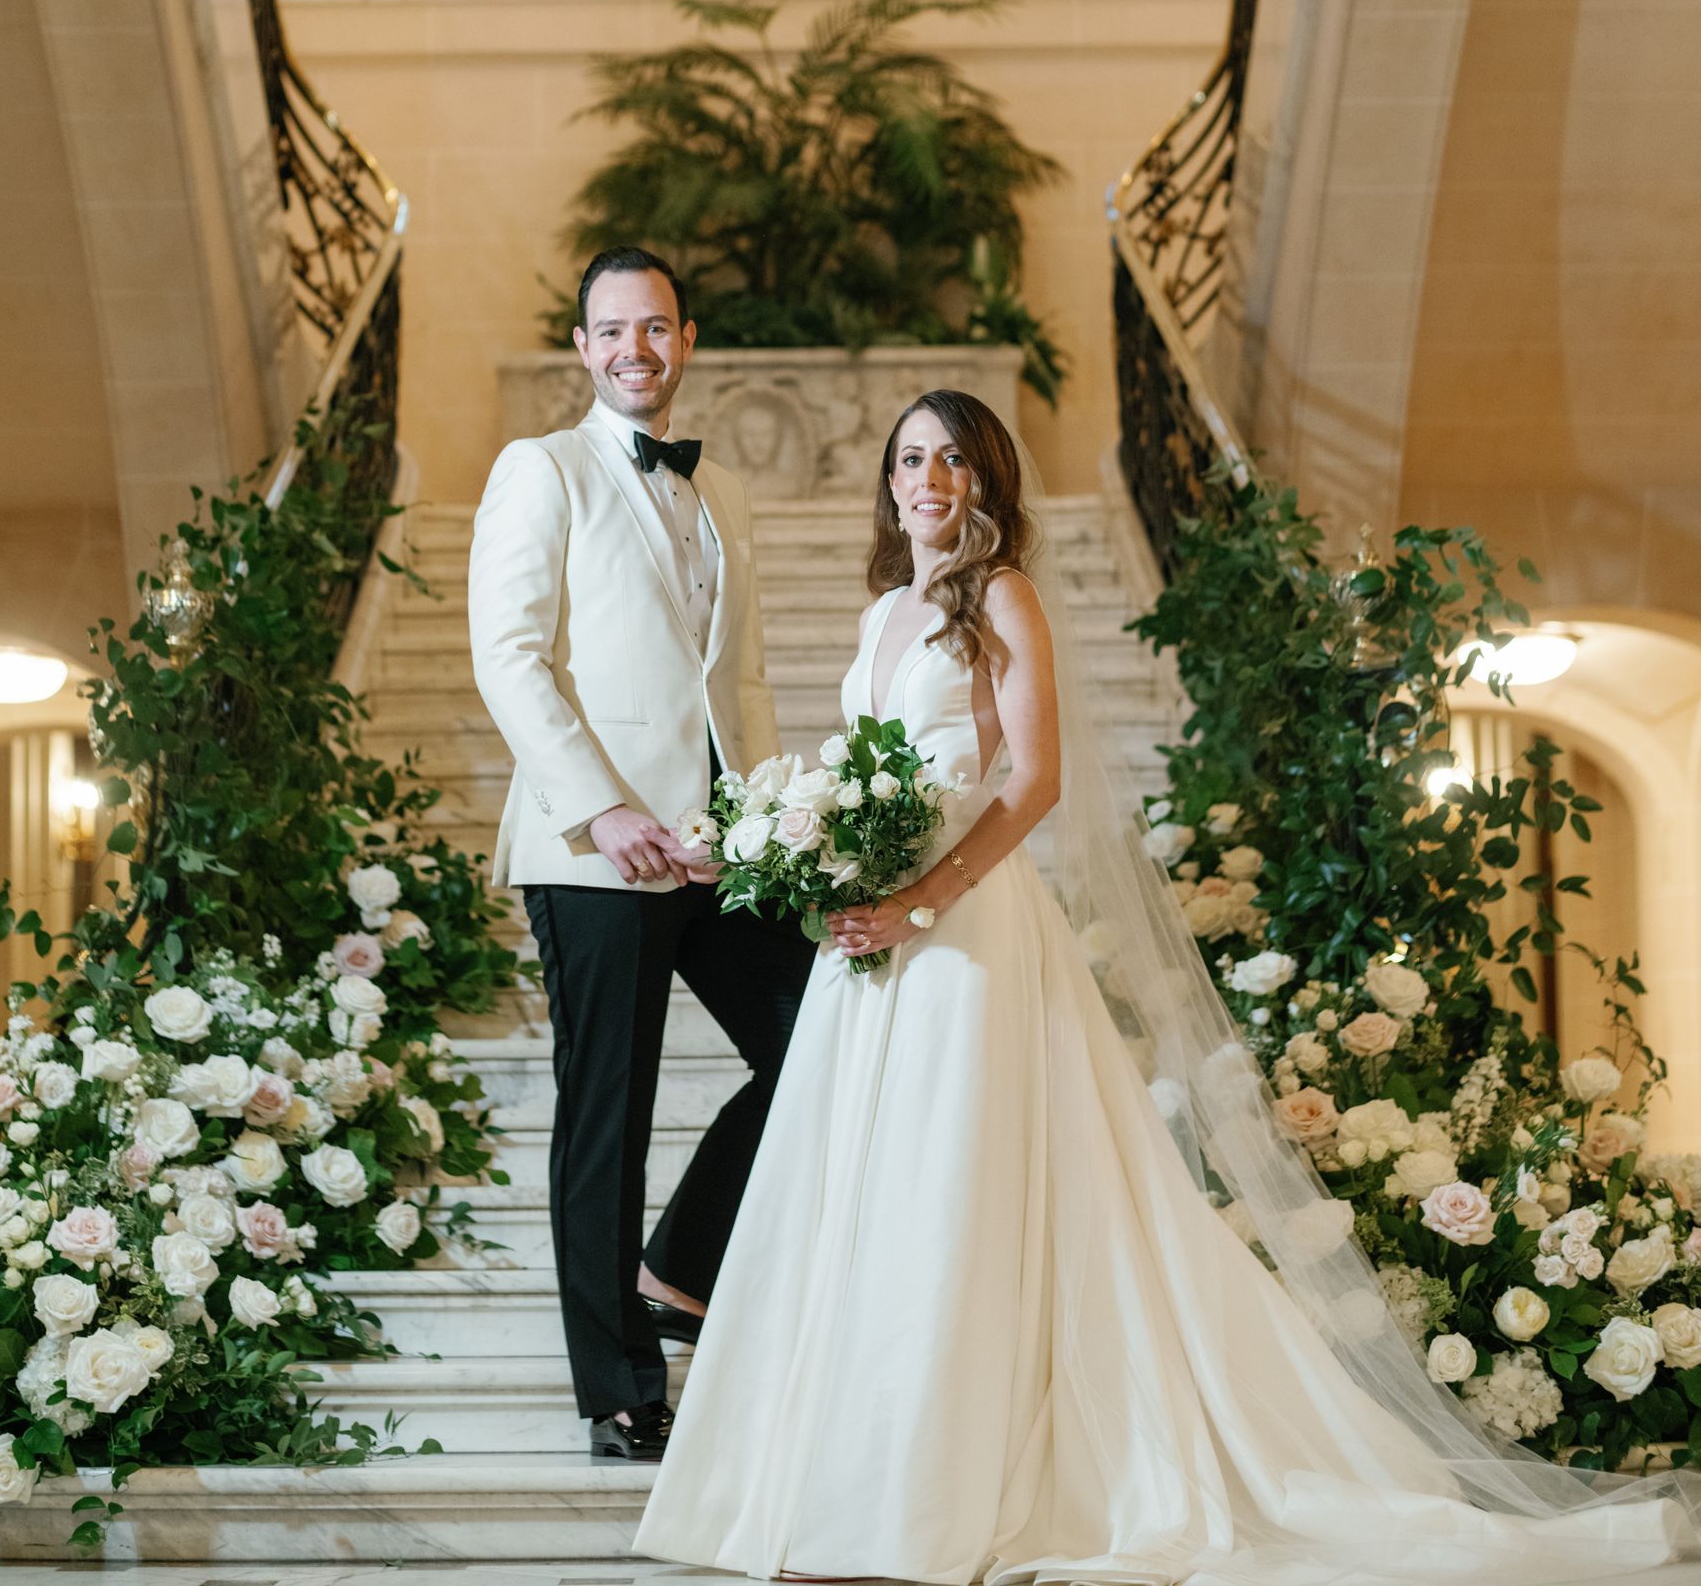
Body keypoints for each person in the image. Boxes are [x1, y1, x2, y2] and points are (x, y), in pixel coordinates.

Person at [636, 389, 1698, 1586]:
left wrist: (921, 898)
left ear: (986, 481)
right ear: (888, 481)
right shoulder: (883, 610)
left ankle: (928, 1501)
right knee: (870, 1197)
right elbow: (862, 778)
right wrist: (818, 858)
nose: (929, 477)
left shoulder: (1004, 598)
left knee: (953, 1196)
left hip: (966, 935)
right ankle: (842, 1488)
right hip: (867, 947)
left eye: (954, 459)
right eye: (911, 457)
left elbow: (1031, 779)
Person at [468, 245, 811, 1463]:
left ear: (688, 338)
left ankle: (677, 1268)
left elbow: (745, 677)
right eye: (611, 331)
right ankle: (619, 1385)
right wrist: (601, 810)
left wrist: (769, 828)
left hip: (721, 846)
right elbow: (510, 656)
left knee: (817, 1041)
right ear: (582, 347)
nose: (634, 351)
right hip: (597, 851)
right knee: (605, 1113)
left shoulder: (721, 495)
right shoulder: (539, 469)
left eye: (654, 329)